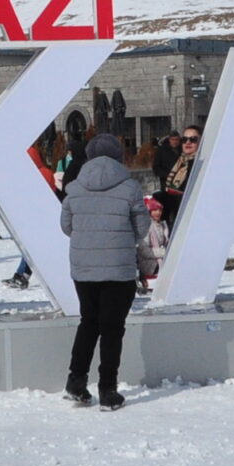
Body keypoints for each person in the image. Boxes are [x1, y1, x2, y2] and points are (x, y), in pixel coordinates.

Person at [60, 133, 150, 410]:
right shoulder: (130, 188)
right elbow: (143, 228)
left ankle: (76, 381)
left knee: (89, 322)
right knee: (112, 329)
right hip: (119, 270)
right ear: (118, 156)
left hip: (83, 269)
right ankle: (107, 390)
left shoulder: (74, 188)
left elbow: (66, 227)